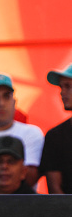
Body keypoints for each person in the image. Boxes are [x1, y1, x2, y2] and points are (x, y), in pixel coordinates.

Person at [39, 63, 72, 193]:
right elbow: (55, 191)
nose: (62, 92)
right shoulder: (55, 136)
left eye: (68, 86)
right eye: (61, 87)